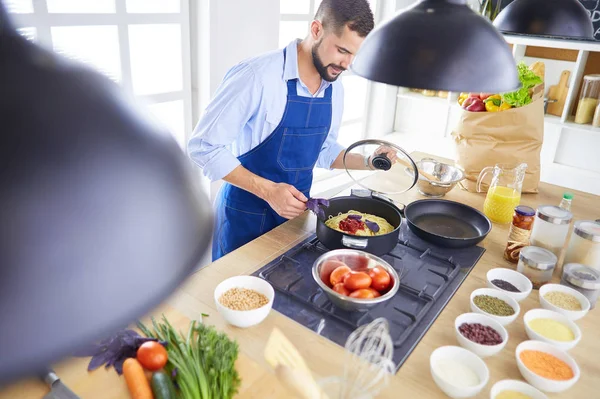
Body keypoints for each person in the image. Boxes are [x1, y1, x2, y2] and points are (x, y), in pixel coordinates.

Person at [188, 0, 380, 261]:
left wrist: (370, 162)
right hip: (244, 219)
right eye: (342, 50)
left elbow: (324, 149)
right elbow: (203, 146)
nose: (347, 64)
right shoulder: (257, 76)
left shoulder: (335, 89)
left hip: (293, 222)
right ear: (316, 30)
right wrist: (268, 191)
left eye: (354, 55)